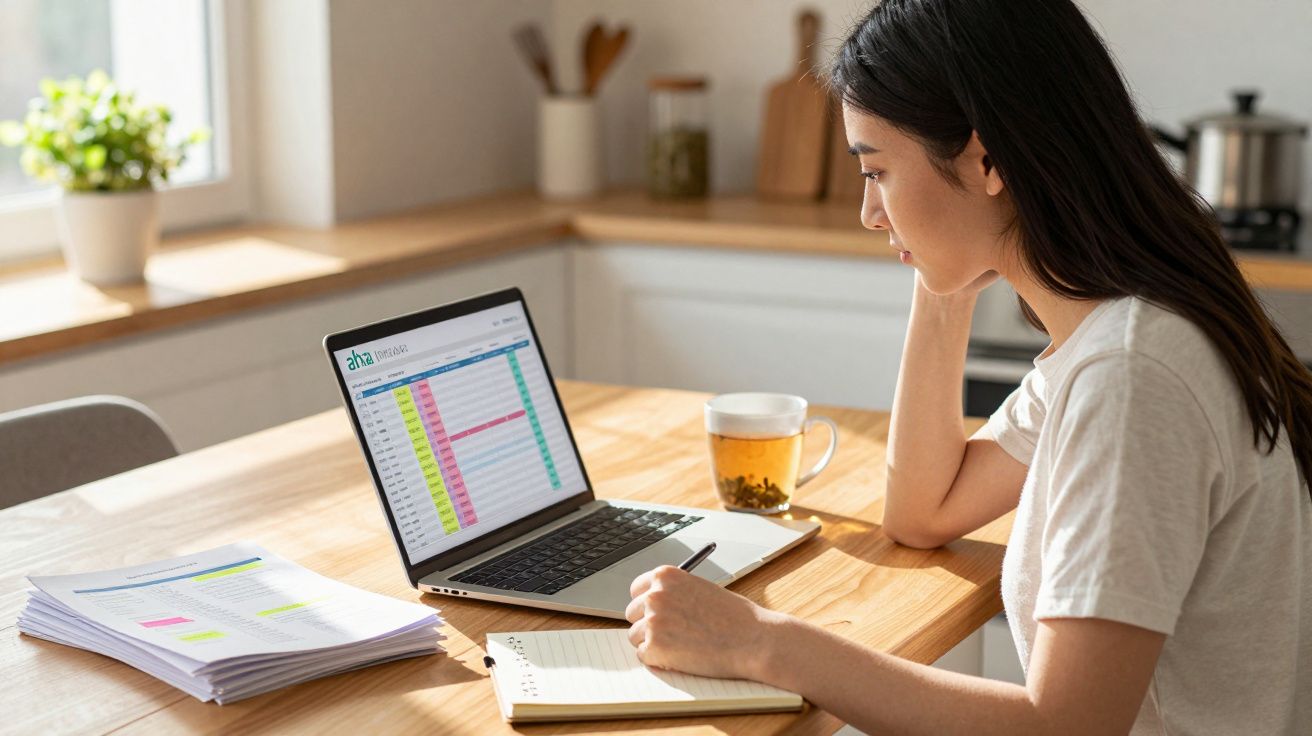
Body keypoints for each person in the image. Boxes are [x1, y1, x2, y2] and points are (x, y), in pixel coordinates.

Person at [623, 0, 1312, 733]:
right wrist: (941, 275)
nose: (870, 213)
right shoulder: (1122, 329)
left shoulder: (1131, 377)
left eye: (877, 171)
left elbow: (1067, 727)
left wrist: (760, 642)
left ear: (986, 161)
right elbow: (924, 511)